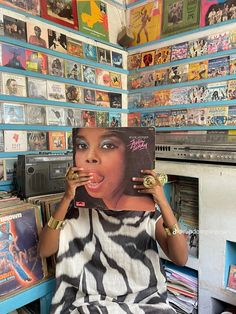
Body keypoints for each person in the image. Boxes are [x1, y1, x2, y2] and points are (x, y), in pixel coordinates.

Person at [39, 127, 188, 313]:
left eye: (108, 145)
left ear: (130, 159)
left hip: (145, 302)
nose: (90, 157)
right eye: (83, 145)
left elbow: (180, 258)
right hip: (90, 304)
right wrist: (67, 197)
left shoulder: (145, 213)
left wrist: (162, 201)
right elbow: (45, 250)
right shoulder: (77, 211)